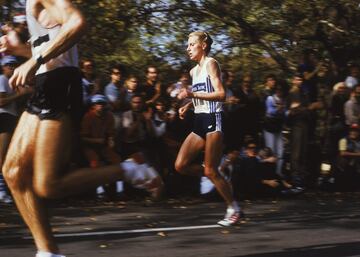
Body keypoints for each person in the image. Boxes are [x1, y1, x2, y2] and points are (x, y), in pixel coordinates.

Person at [0, 1, 153, 257]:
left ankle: (128, 169)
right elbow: (55, 46)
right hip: (45, 84)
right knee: (13, 173)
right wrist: (22, 51)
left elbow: (78, 23)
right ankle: (47, 252)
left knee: (48, 186)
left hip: (60, 86)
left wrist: (33, 60)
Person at [175, 31, 241, 226]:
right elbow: (201, 94)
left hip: (213, 119)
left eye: (191, 44)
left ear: (203, 45)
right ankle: (215, 173)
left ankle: (233, 208)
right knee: (180, 166)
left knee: (210, 171)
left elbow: (221, 95)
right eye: (187, 45)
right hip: (199, 121)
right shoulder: (193, 71)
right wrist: (188, 104)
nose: (188, 48)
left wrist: (191, 93)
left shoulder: (211, 63)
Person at [0, 55, 32, 204]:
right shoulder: (2, 79)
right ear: (3, 66)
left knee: (10, 156)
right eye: (9, 65)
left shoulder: (15, 81)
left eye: (14, 64)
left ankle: (7, 189)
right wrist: (19, 94)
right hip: (3, 118)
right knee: (3, 156)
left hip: (11, 117)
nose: (12, 67)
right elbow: (1, 102)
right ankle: (1, 191)